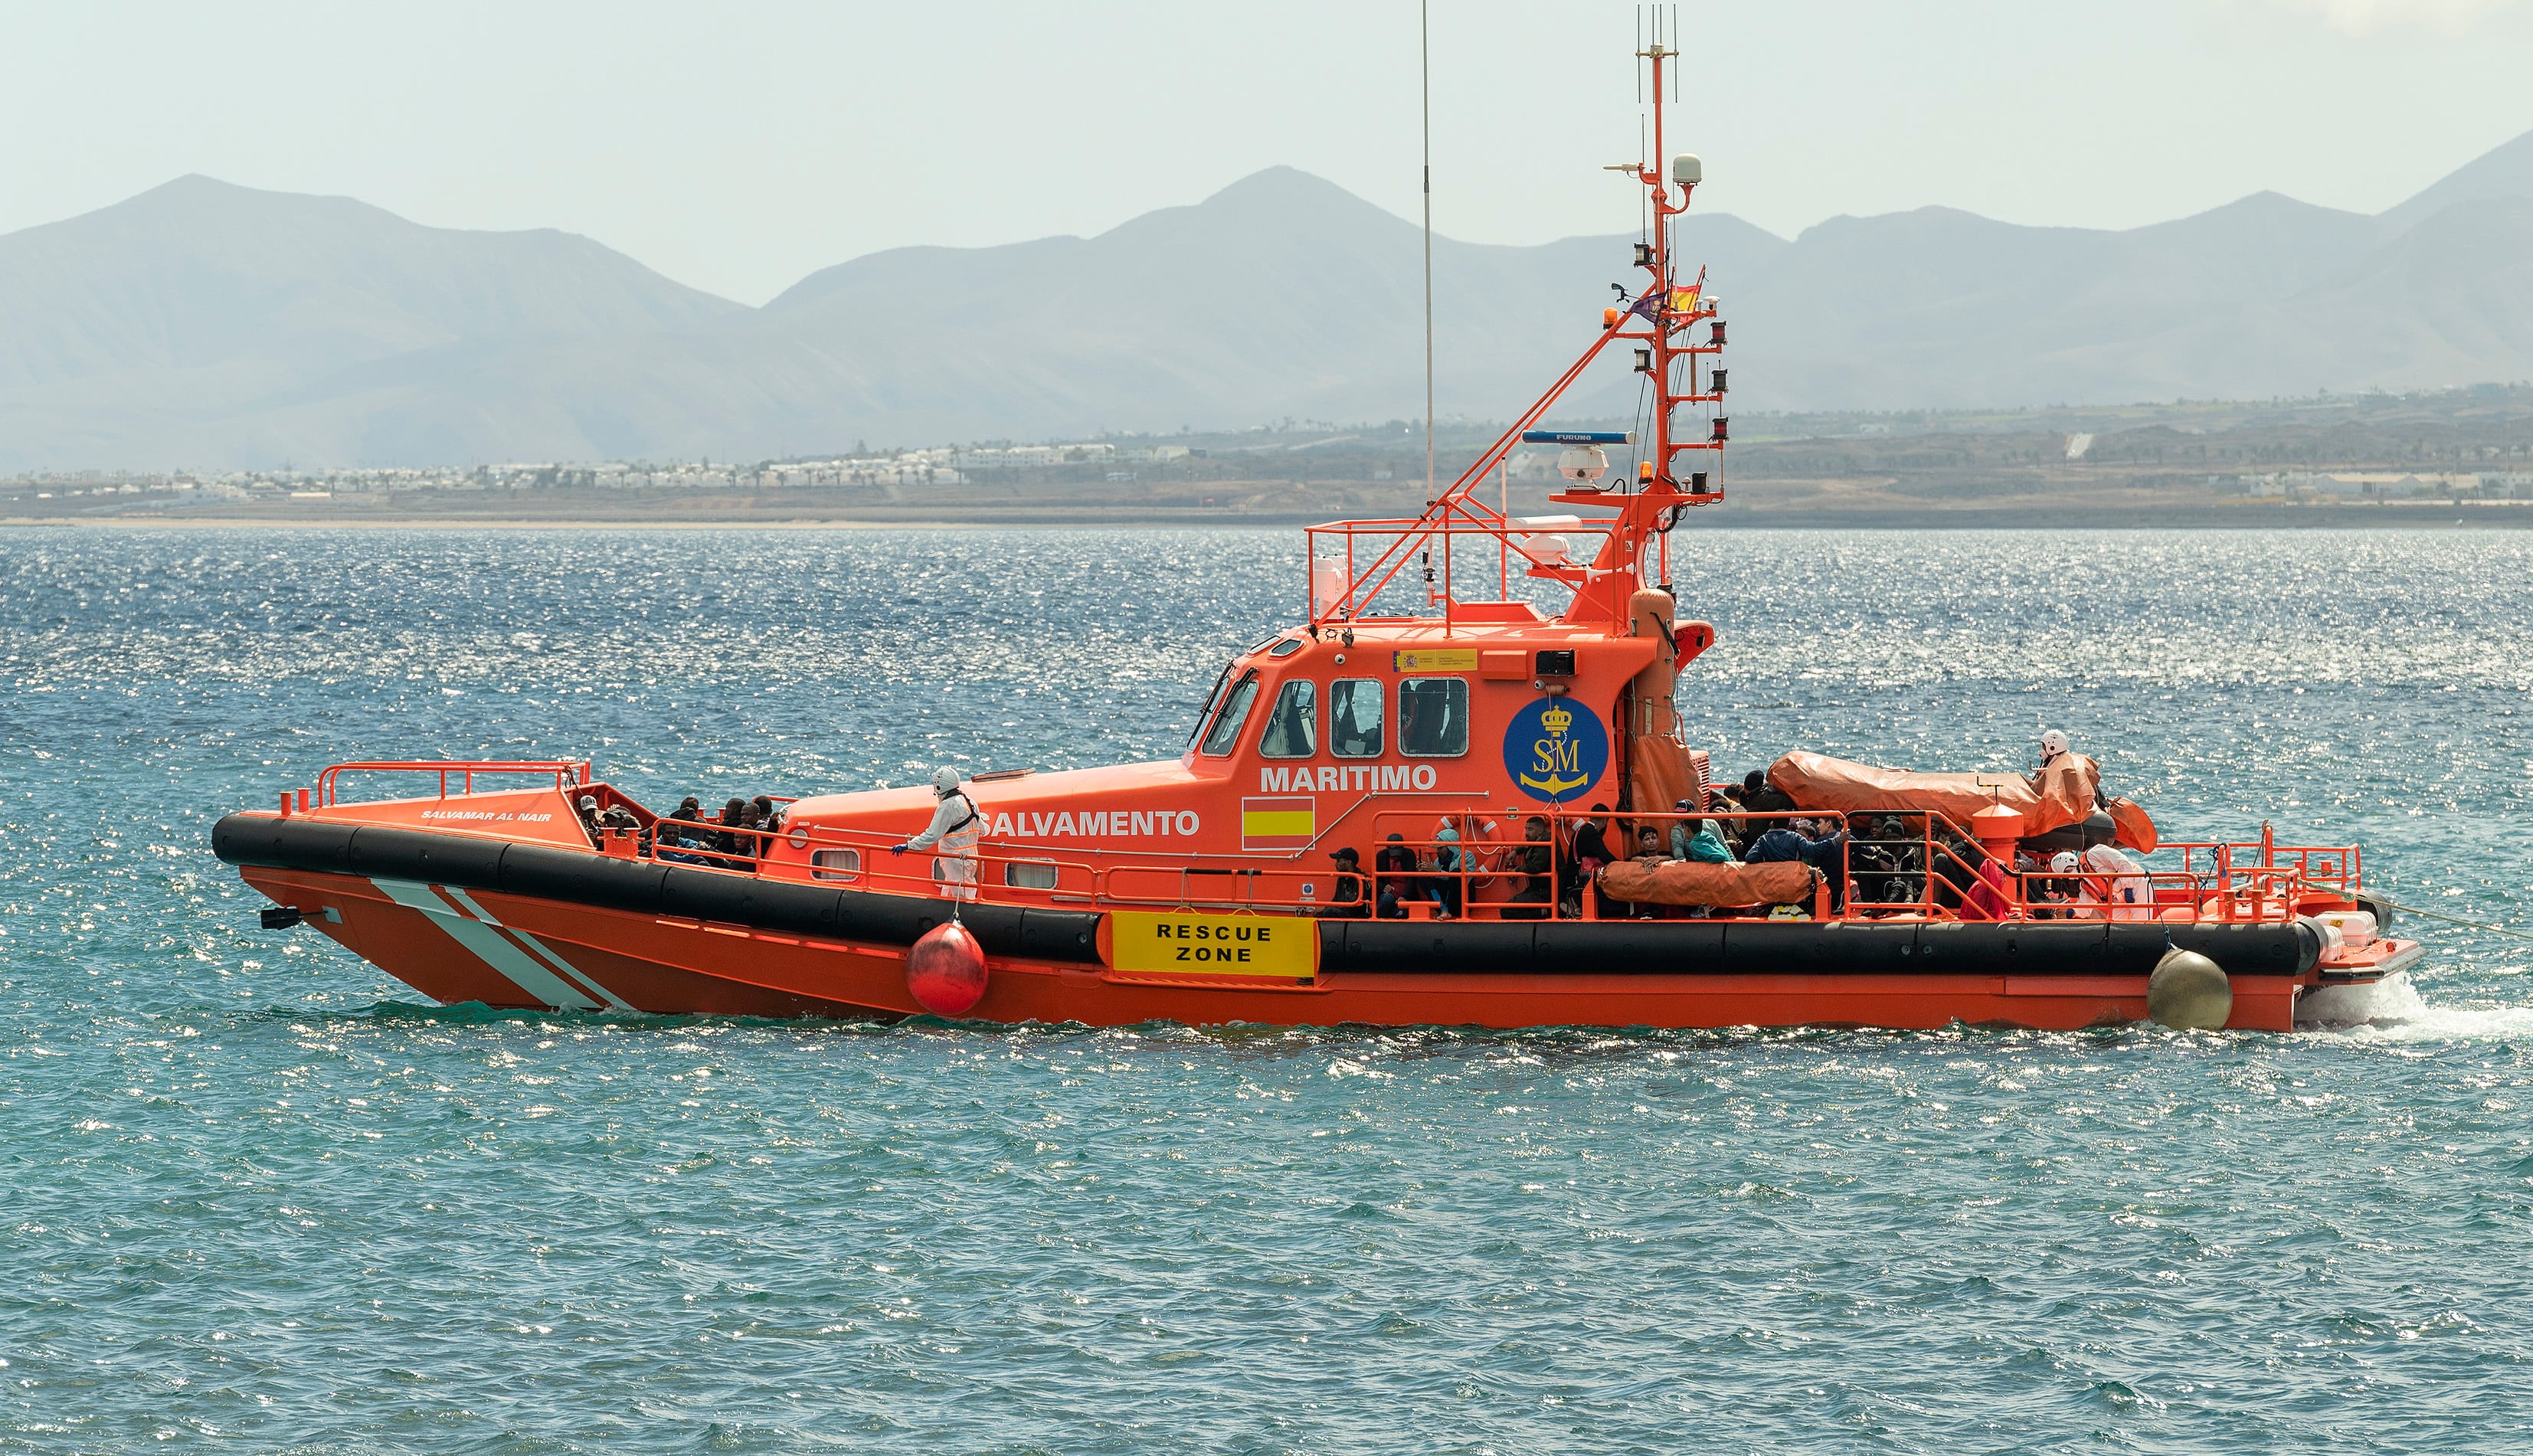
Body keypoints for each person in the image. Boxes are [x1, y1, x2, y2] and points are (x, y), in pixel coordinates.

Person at [890, 766, 983, 901]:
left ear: (939, 788)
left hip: (955, 860)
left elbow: (932, 835)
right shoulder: (970, 802)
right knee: (954, 891)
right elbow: (983, 829)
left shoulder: (947, 806)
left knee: (961, 898)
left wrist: (908, 846)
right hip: (970, 857)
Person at [1505, 816, 1556, 920]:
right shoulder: (1540, 840)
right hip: (1539, 889)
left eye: (1530, 829)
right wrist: (1516, 851)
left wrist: (1517, 870)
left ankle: (1544, 911)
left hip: (1545, 892)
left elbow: (1536, 867)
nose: (1527, 833)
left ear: (1540, 830)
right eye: (1526, 829)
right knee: (1509, 907)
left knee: (1506, 911)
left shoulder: (1545, 843)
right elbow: (1527, 846)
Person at [1312, 846, 1370, 918]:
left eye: (1338, 861)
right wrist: (1322, 911)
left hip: (1358, 918)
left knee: (1329, 912)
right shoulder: (1342, 878)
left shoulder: (1361, 880)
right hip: (1345, 915)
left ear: (1349, 863)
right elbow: (1336, 900)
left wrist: (1325, 909)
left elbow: (1354, 908)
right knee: (1322, 914)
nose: (1335, 865)